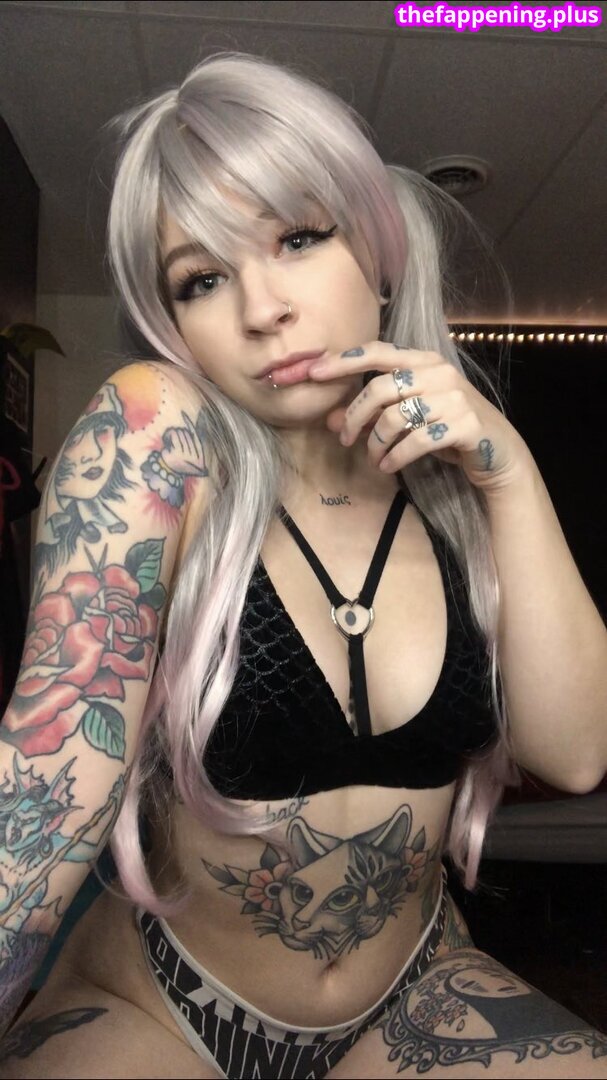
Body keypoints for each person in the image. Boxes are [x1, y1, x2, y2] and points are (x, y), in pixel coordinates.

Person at [0, 49, 606, 1080]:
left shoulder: (459, 494)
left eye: (297, 237)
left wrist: (508, 473)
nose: (261, 308)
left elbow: (577, 755)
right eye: (201, 279)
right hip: (159, 1008)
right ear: (172, 321)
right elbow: (47, 790)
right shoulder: (157, 438)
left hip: (410, 995)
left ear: (376, 248)